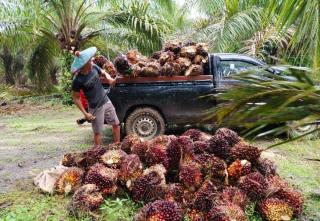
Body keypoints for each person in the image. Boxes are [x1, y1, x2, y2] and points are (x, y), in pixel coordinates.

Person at [71, 47, 120, 145]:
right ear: (83, 64)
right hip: (95, 107)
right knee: (98, 133)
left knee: (116, 124)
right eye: (89, 61)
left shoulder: (93, 67)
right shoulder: (77, 80)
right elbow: (76, 98)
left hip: (106, 100)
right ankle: (96, 154)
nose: (91, 62)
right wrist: (86, 114)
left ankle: (117, 147)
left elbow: (104, 72)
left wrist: (109, 79)